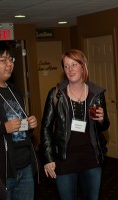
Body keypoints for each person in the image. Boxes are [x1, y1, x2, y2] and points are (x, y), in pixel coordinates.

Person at [40, 49, 110, 200]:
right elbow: (46, 127)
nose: (70, 70)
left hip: (91, 158)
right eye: (66, 66)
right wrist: (48, 158)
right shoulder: (56, 94)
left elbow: (104, 127)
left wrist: (101, 119)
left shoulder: (96, 93)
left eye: (74, 64)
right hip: (65, 159)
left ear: (83, 66)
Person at [0, 41, 39, 200]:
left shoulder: (15, 90)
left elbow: (19, 124)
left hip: (26, 165)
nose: (9, 64)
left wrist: (29, 125)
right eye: (3, 60)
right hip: (2, 169)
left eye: (10, 60)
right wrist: (3, 128)